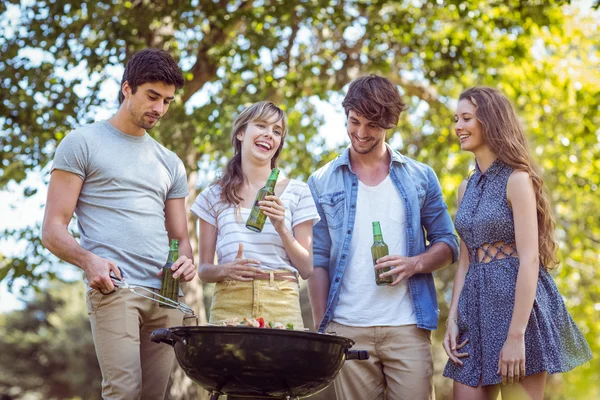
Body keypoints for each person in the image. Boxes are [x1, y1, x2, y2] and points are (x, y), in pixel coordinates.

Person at [41, 48, 196, 400]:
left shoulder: (170, 163)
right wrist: (88, 260)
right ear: (127, 88)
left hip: (167, 296)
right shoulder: (82, 143)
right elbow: (52, 230)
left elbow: (180, 237)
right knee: (124, 392)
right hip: (116, 289)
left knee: (154, 396)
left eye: (167, 101)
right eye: (152, 96)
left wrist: (186, 261)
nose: (159, 108)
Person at [307, 74, 459, 400]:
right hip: (347, 329)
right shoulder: (322, 181)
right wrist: (324, 333)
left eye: (372, 125)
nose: (361, 133)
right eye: (354, 122)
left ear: (390, 123)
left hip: (407, 326)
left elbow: (448, 243)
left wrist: (414, 264)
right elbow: (317, 259)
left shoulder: (420, 176)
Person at [442, 87, 592, 399]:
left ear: (490, 122)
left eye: (466, 118)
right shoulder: (464, 188)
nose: (458, 126)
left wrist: (515, 336)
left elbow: (530, 260)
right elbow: (465, 263)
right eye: (457, 118)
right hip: (475, 312)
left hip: (517, 313)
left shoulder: (517, 179)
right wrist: (453, 320)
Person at [191, 101, 319, 329]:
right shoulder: (213, 195)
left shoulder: (298, 192)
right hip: (230, 303)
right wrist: (226, 269)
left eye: (277, 131)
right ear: (241, 133)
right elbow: (203, 270)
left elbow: (307, 268)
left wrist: (281, 227)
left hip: (281, 304)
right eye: (261, 126)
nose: (269, 134)